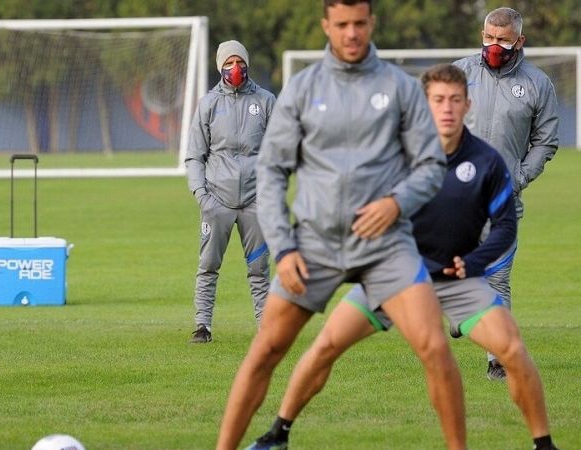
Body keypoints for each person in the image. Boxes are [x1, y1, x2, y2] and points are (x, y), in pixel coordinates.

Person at [247, 64, 560, 450]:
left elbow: (505, 227)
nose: (446, 109)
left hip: (455, 281)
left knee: (511, 348)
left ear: (468, 106)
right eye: (438, 101)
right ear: (423, 106)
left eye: (455, 100)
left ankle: (543, 444)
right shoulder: (395, 155)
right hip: (392, 279)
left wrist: (475, 262)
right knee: (327, 344)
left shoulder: (487, 162)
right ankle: (277, 433)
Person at [216, 1, 466, 449]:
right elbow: (271, 171)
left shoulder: (400, 87)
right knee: (265, 351)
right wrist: (284, 247)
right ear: (326, 26)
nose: (351, 33)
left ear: (371, 23)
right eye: (342, 25)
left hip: (386, 246)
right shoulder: (302, 88)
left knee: (435, 347)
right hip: (314, 245)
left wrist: (395, 202)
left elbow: (430, 165)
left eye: (359, 24)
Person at [453, 6, 559, 381]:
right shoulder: (459, 73)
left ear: (520, 40)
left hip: (503, 200)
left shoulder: (537, 84)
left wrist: (519, 177)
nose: (494, 46)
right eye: (488, 37)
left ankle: (496, 359)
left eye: (503, 40)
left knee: (497, 278)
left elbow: (546, 140)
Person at [184, 40, 276, 343]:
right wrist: (202, 195)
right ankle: (202, 325)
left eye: (240, 61)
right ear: (220, 66)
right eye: (229, 62)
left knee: (260, 270)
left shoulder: (265, 101)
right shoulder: (208, 104)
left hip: (255, 202)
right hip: (217, 201)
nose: (235, 68)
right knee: (208, 266)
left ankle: (266, 328)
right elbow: (195, 156)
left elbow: (279, 152)